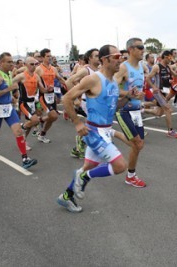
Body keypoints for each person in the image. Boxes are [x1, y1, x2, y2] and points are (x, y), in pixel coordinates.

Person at [57, 44, 138, 212]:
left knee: (87, 167)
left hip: (106, 131)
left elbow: (113, 107)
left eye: (120, 57)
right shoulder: (93, 78)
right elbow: (66, 98)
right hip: (93, 131)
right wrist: (78, 123)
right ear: (105, 60)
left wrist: (129, 96)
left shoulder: (114, 82)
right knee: (120, 166)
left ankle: (66, 196)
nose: (120, 60)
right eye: (116, 57)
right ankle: (84, 177)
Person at [114, 37, 147, 188]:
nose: (143, 50)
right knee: (138, 143)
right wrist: (128, 94)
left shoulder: (141, 67)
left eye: (143, 47)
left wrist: (140, 96)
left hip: (136, 112)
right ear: (130, 50)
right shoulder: (123, 68)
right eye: (139, 47)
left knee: (139, 145)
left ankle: (112, 133)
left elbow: (138, 89)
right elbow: (110, 87)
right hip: (124, 111)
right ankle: (131, 176)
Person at [144, 50, 177, 138]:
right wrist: (153, 87)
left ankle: (141, 109)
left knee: (159, 113)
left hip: (165, 92)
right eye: (170, 57)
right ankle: (170, 131)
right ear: (165, 57)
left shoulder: (168, 67)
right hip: (158, 92)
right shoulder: (157, 67)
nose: (171, 59)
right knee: (168, 109)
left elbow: (175, 75)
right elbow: (148, 78)